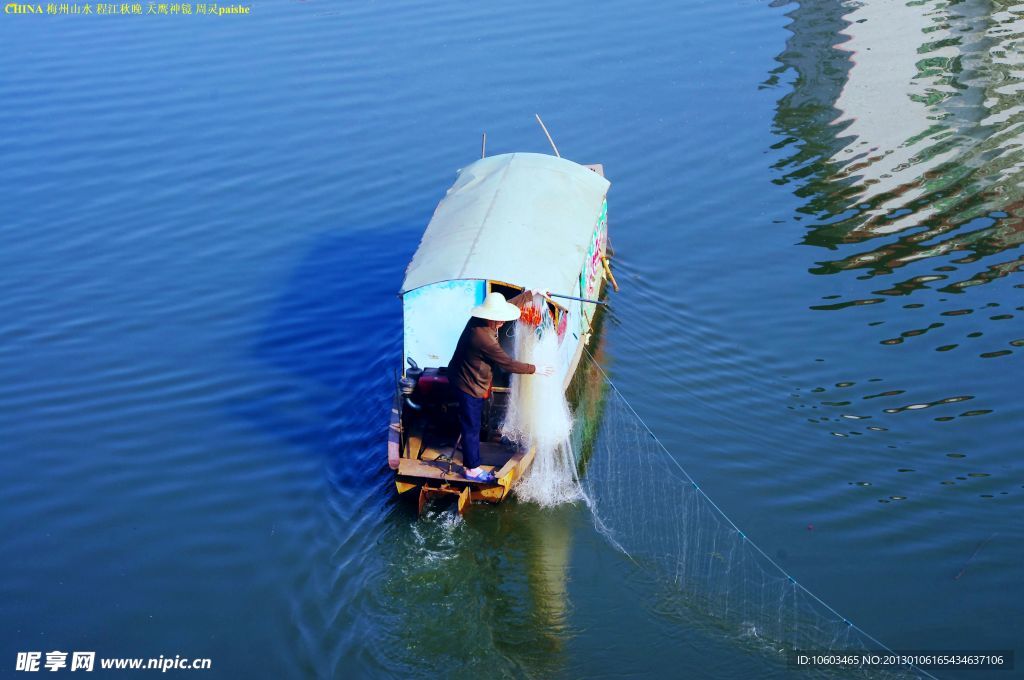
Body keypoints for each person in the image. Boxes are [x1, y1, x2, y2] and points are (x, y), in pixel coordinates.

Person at [448, 290, 554, 482]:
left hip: (471, 376)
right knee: (471, 425)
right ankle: (471, 468)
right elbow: (507, 364)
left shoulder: (479, 320)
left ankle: (468, 444)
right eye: (499, 318)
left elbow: (511, 304)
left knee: (476, 419)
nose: (503, 322)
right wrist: (535, 368)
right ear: (489, 317)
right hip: (468, 384)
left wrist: (531, 294)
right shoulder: (483, 338)